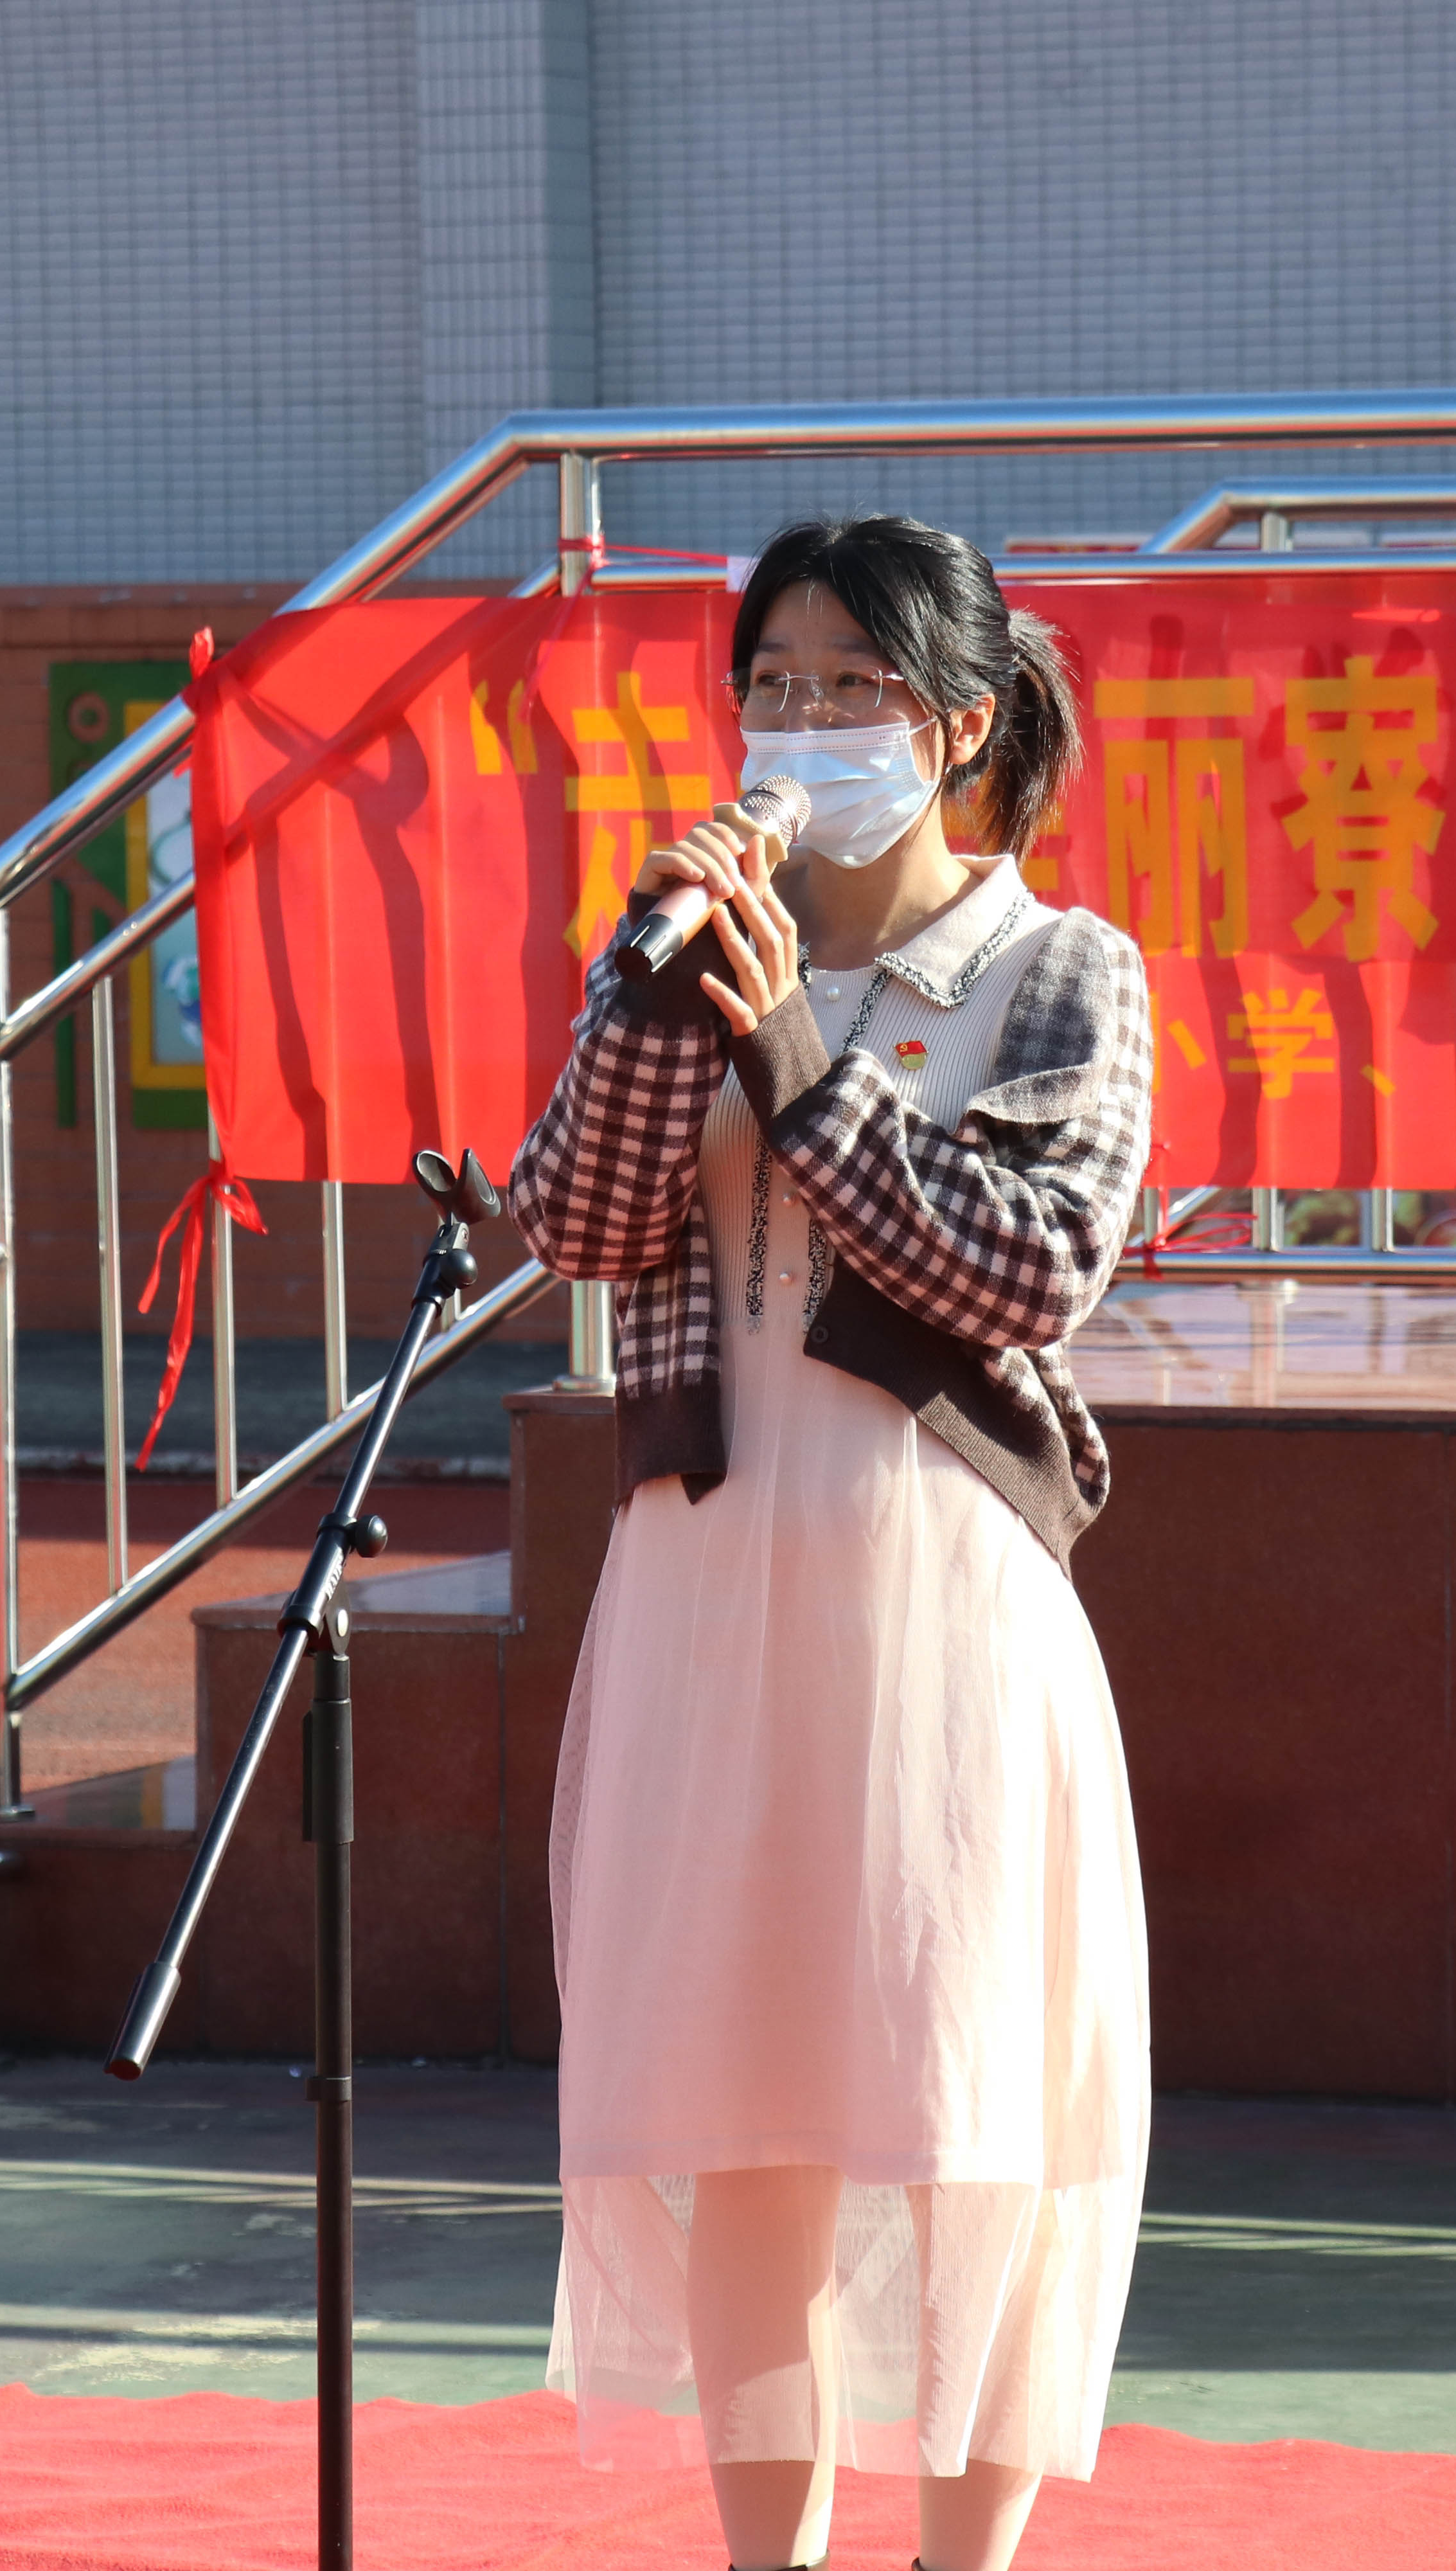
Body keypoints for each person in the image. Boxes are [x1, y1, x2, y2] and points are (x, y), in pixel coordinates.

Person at [506, 515, 1155, 2571]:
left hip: (940, 1594)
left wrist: (797, 1052)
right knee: (741, 2118)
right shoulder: (693, 953)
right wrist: (662, 992)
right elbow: (577, 1224)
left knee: (976, 2113)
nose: (799, 726)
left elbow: (1024, 1266)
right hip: (710, 1587)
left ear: (958, 722)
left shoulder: (1059, 968)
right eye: (769, 685)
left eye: (848, 687)